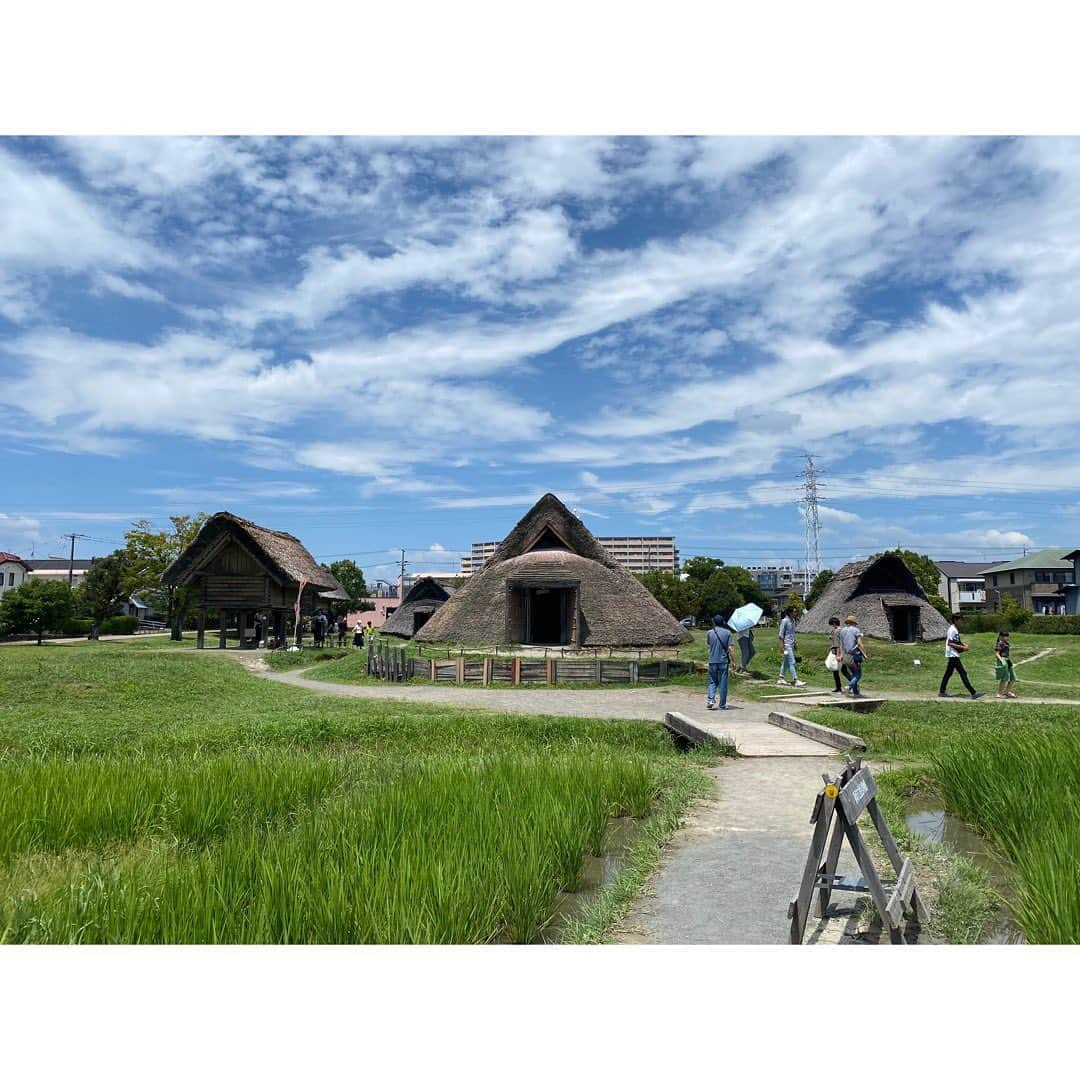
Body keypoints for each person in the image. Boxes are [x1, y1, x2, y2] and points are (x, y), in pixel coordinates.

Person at [939, 612, 985, 699]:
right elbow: (950, 643)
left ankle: (942, 691)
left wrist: (964, 645)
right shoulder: (952, 630)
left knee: (948, 673)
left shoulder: (955, 629)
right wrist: (963, 647)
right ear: (956, 620)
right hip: (953, 654)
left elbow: (956, 641)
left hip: (953, 654)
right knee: (963, 673)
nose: (962, 622)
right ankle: (973, 693)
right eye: (961, 620)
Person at [706, 614, 736, 710]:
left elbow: (709, 644)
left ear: (714, 622)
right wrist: (733, 661)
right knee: (723, 683)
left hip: (712, 660)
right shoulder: (728, 633)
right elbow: (730, 648)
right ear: (723, 622)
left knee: (713, 681)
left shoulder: (710, 633)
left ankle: (710, 699)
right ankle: (722, 705)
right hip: (723, 661)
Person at [839, 614, 869, 697]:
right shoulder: (856, 630)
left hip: (845, 655)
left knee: (853, 674)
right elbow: (859, 644)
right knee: (858, 674)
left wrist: (841, 655)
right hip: (854, 655)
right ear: (854, 623)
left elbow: (841, 644)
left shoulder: (842, 631)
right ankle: (849, 686)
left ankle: (856, 693)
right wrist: (865, 654)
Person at [777, 605, 806, 687]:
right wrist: (781, 645)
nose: (795, 613)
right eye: (794, 611)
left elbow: (792, 633)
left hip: (791, 644)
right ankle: (795, 680)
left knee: (786, 661)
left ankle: (781, 678)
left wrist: (795, 643)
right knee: (792, 662)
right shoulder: (784, 621)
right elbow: (781, 634)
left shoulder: (793, 621)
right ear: (790, 612)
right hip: (786, 645)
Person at [827, 616, 853, 693]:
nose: (832, 627)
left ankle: (840, 687)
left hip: (837, 652)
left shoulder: (836, 631)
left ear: (834, 624)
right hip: (844, 651)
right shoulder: (844, 630)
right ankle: (852, 683)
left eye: (832, 625)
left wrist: (837, 655)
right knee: (844, 670)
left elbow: (837, 644)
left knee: (836, 669)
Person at [995, 630, 1017, 699]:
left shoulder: (1007, 643)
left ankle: (1007, 692)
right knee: (1004, 678)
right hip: (1003, 661)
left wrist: (1010, 661)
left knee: (1013, 677)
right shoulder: (999, 644)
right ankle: (999, 693)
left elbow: (1007, 654)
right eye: (1005, 636)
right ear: (1000, 637)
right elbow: (997, 654)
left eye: (1007, 636)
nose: (1007, 637)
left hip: (1008, 660)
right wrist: (1002, 660)